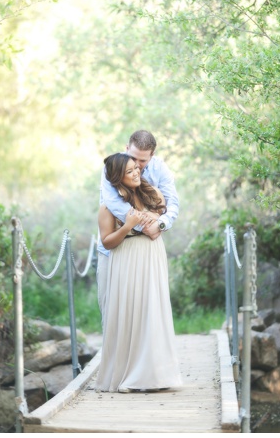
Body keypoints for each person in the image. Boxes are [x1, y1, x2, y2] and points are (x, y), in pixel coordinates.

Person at [94, 153, 183, 393]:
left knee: (153, 310)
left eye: (137, 168)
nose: (136, 173)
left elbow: (163, 216)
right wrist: (127, 226)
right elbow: (108, 242)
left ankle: (156, 375)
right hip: (126, 259)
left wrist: (155, 220)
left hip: (152, 256)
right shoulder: (108, 207)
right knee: (130, 312)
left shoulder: (152, 194)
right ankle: (127, 374)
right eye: (129, 171)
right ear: (116, 178)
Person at [96, 130, 180, 329]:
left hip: (146, 250)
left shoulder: (161, 170)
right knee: (111, 307)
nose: (137, 166)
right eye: (133, 157)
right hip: (114, 249)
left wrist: (160, 223)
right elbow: (114, 204)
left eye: (142, 161)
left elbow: (171, 204)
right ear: (126, 148)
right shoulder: (114, 166)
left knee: (148, 308)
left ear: (152, 156)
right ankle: (117, 356)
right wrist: (145, 223)